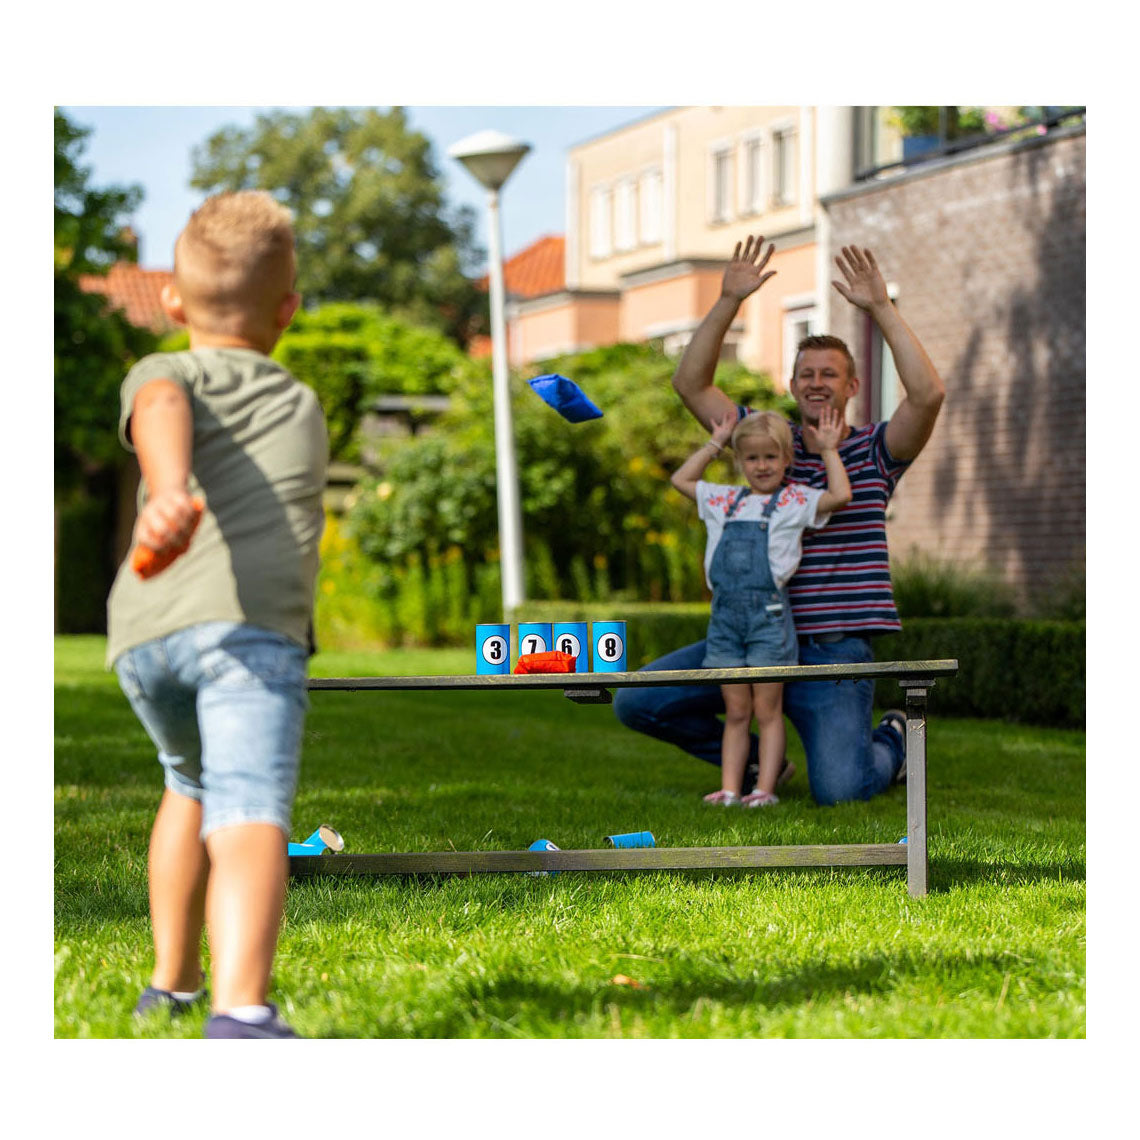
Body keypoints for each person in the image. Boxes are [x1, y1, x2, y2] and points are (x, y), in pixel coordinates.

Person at [105, 190, 329, 1038]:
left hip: (146, 634)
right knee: (250, 805)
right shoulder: (299, 402)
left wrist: (164, 493)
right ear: (289, 310)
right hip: (248, 635)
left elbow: (159, 404)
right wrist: (172, 494)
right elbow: (169, 410)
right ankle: (241, 1012)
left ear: (170, 299)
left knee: (187, 783)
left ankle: (171, 982)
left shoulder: (164, 368)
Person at [615, 236, 945, 805]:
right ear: (792, 386)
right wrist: (728, 301)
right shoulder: (764, 444)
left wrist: (881, 310)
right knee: (638, 701)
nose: (817, 382)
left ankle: (893, 743)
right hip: (749, 640)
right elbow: (690, 384)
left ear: (853, 386)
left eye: (831, 374)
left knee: (842, 791)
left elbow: (929, 394)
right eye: (807, 374)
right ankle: (752, 768)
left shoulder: (874, 450)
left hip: (831, 651)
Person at [671, 405, 851, 806]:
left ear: (787, 460)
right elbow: (680, 478)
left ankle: (765, 789)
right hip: (725, 621)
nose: (762, 465)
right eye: (752, 457)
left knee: (767, 709)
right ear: (740, 461)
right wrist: (716, 442)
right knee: (736, 711)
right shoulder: (723, 500)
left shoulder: (794, 500)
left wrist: (827, 449)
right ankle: (731, 789)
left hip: (769, 619)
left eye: (771, 457)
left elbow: (840, 495)